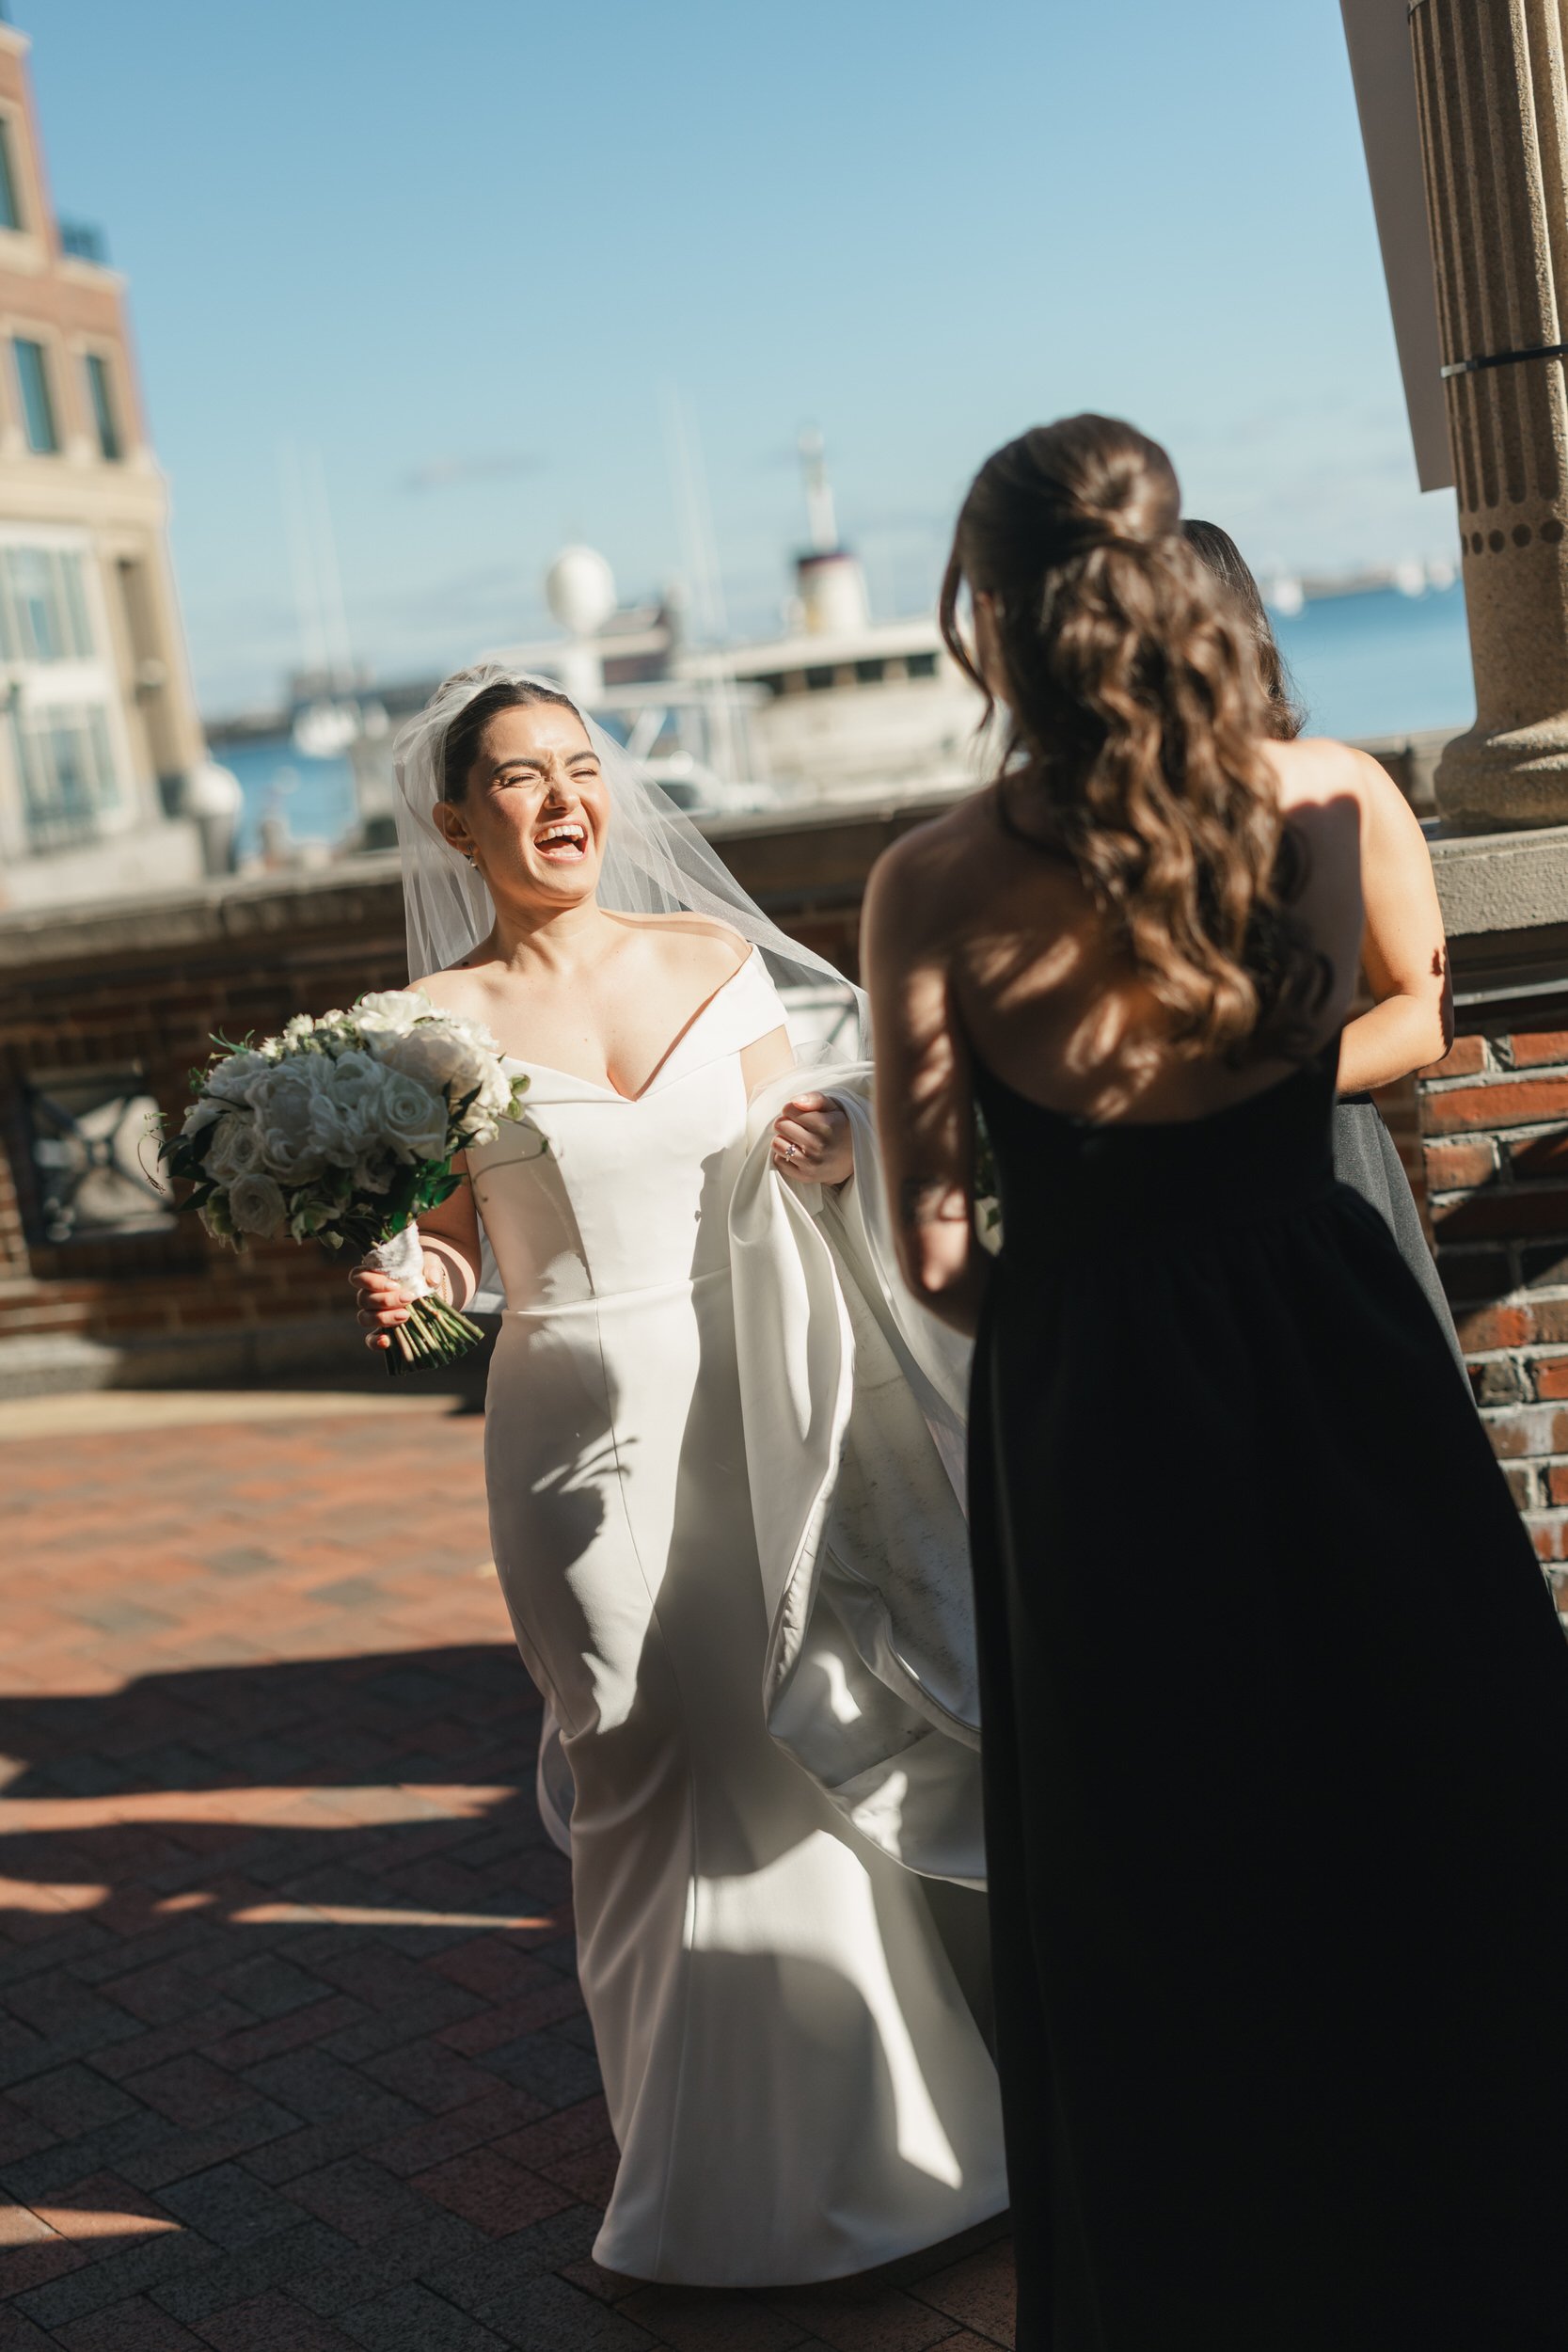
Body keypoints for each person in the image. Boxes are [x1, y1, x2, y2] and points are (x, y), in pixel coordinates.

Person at [862, 416, 1568, 2349]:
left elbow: (929, 1251)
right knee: (1433, 1784)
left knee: (1160, 1867)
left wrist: (1080, 1287)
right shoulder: (1331, 796)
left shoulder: (931, 875)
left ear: (983, 612)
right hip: (1335, 1338)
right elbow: (1388, 1023)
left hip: (1095, 1390)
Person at [351, 667, 1006, 2286]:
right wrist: (407, 1281)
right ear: (455, 821)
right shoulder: (413, 1030)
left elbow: (821, 1142)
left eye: (584, 767)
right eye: (522, 778)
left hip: (760, 1402)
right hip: (576, 1429)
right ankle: (698, 2191)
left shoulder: (714, 959)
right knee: (644, 1757)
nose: (567, 800)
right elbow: (436, 1247)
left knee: (804, 1729)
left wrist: (839, 1154)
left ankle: (917, 2153)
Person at [1183, 516, 1464, 1369]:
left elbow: (1423, 1013)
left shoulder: (1348, 790)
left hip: (1322, 1156)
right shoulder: (1088, 831)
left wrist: (1270, 1088)